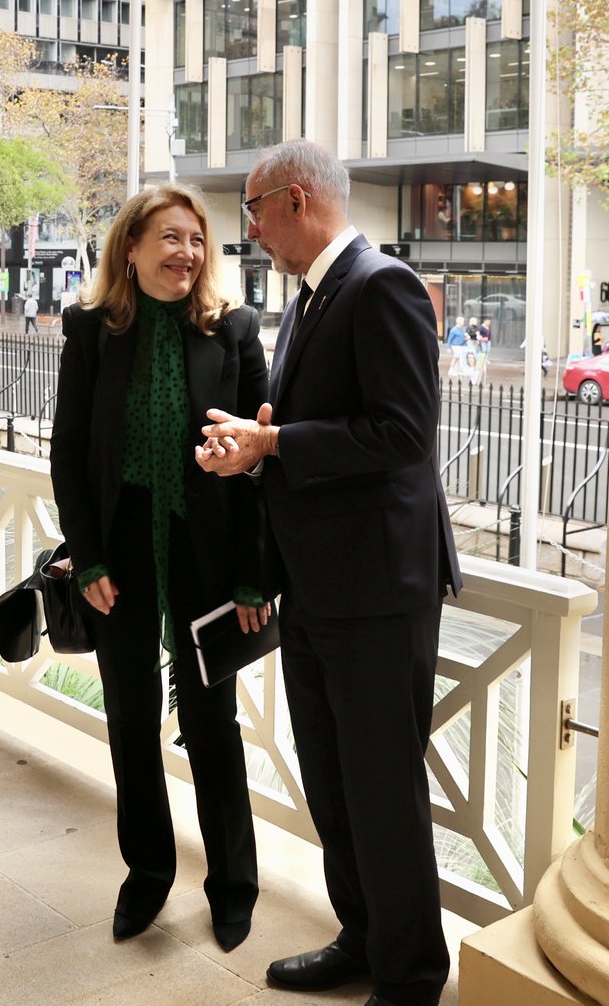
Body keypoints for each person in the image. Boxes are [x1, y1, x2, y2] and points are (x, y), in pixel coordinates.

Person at [200, 139, 462, 1006]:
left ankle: (411, 976)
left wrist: (276, 443)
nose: (249, 227)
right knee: (335, 784)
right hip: (319, 588)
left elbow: (402, 436)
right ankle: (363, 937)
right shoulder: (313, 295)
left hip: (379, 596)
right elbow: (324, 427)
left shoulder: (379, 283)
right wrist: (261, 445)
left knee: (382, 792)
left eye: (253, 208)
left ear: (296, 199)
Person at [50, 182, 271, 950]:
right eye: (169, 238)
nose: (186, 253)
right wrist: (86, 559)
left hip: (207, 552)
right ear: (132, 249)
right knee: (131, 719)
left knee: (213, 720)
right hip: (122, 549)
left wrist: (252, 575)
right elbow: (69, 454)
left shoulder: (235, 330)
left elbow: (258, 465)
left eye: (196, 240)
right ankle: (147, 876)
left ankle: (233, 885)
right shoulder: (92, 331)